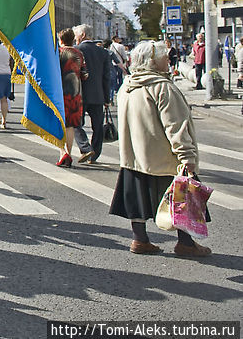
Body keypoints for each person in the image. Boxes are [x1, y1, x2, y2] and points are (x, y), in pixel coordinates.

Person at [109, 40, 211, 257]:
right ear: (153, 62)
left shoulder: (127, 85)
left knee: (137, 200)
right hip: (163, 158)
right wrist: (187, 156)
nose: (168, 59)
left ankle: (140, 240)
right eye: (164, 56)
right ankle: (186, 243)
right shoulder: (161, 87)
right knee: (181, 198)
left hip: (133, 155)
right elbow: (176, 125)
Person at [73, 24, 111, 163]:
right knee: (98, 126)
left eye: (76, 35)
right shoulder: (103, 52)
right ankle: (94, 155)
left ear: (82, 35)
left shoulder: (76, 50)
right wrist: (107, 98)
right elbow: (106, 77)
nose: (75, 38)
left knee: (76, 123)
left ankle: (86, 148)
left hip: (80, 94)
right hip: (98, 95)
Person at [57, 28, 87, 168]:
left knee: (59, 123)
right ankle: (68, 152)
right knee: (70, 125)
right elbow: (85, 74)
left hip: (58, 91)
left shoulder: (58, 53)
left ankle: (62, 153)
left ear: (61, 39)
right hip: (75, 92)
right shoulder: (78, 53)